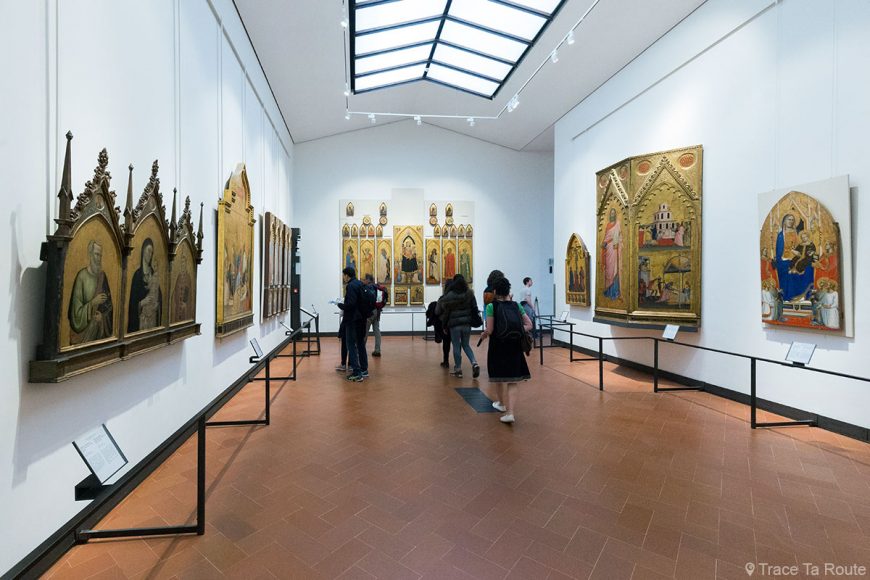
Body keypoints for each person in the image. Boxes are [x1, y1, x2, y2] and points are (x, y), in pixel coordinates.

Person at [480, 277, 532, 424]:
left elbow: (490, 330)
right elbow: (529, 324)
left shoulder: (491, 307)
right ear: (508, 290)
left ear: (495, 291)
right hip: (514, 346)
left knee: (499, 377)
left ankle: (501, 404)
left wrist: (484, 334)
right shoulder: (516, 306)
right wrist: (518, 330)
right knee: (512, 380)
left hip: (498, 346)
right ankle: (511, 413)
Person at [68, 240, 114, 345]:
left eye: (100, 255)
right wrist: (93, 302)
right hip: (83, 338)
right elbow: (75, 316)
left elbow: (109, 307)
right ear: (90, 254)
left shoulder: (102, 276)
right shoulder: (81, 277)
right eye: (96, 254)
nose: (99, 258)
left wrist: (102, 318)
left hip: (99, 339)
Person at [437, 274, 480, 378]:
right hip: (467, 324)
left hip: (454, 325)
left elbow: (445, 310)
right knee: (466, 345)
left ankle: (458, 369)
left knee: (456, 346)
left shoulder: (450, 295)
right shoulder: (469, 293)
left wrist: (444, 325)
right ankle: (474, 363)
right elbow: (474, 307)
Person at [338, 267, 368, 381]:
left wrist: (340, 305)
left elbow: (351, 304)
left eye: (343, 275)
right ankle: (364, 370)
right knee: (360, 344)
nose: (343, 277)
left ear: (347, 275)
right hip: (362, 319)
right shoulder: (360, 283)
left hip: (352, 320)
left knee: (350, 344)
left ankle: (356, 372)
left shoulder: (350, 286)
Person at [128, 238, 162, 332]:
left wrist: (157, 304)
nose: (150, 255)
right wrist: (142, 303)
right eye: (148, 251)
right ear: (143, 251)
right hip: (140, 322)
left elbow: (159, 296)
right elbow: (132, 304)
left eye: (152, 252)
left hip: (152, 320)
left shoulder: (153, 274)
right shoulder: (137, 275)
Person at [364, 274, 387, 357]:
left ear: (368, 280)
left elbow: (366, 300)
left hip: (369, 312)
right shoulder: (377, 287)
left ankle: (361, 349)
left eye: (365, 279)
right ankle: (377, 350)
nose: (364, 281)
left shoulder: (368, 287)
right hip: (377, 311)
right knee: (377, 330)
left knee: (365, 331)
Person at [601, 207, 622, 299]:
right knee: (608, 270)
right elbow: (606, 237)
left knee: (614, 269)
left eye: (613, 213)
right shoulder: (608, 225)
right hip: (608, 249)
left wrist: (616, 242)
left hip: (614, 249)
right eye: (611, 213)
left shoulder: (618, 224)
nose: (612, 215)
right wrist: (604, 243)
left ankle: (615, 292)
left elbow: (619, 237)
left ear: (615, 215)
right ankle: (608, 291)